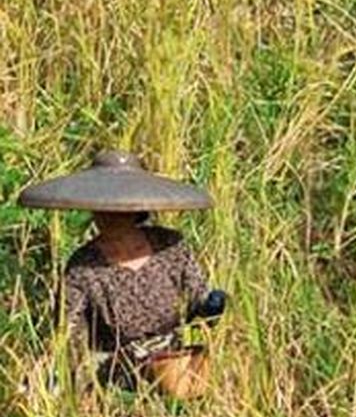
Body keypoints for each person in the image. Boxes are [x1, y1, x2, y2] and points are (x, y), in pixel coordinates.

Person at [19, 150, 223, 389]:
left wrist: (211, 307)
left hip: (173, 368)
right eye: (103, 210)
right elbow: (69, 331)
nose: (110, 217)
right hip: (114, 372)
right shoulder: (84, 265)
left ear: (135, 210)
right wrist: (58, 372)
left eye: (119, 211)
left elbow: (198, 302)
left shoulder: (169, 246)